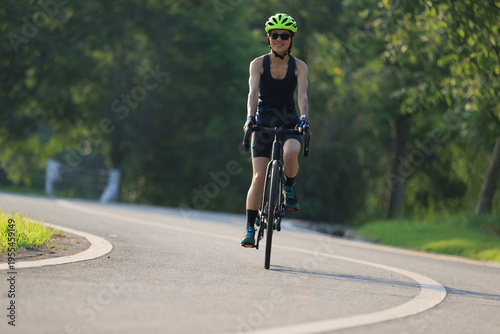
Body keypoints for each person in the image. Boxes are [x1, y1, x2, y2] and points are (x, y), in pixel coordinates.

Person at [241, 13, 310, 246]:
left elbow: (303, 95)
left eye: (284, 35)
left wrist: (304, 118)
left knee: (290, 153)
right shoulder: (258, 64)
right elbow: (253, 93)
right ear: (268, 38)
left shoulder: (299, 66)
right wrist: (250, 118)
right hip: (262, 122)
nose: (279, 39)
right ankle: (250, 228)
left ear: (292, 39)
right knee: (259, 176)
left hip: (290, 122)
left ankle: (289, 188)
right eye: (274, 35)